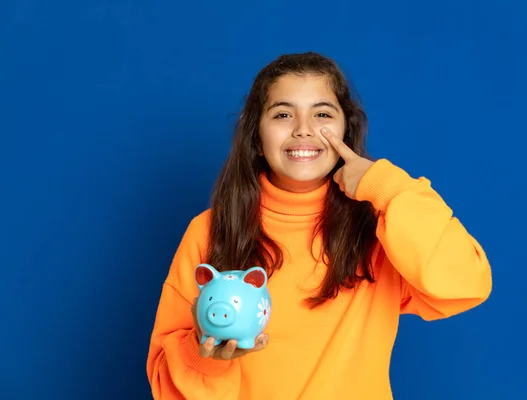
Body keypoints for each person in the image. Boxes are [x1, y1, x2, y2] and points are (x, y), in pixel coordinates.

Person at [146, 51, 492, 399]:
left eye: (322, 114)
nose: (303, 130)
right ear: (255, 137)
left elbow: (464, 284)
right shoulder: (209, 231)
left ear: (347, 128)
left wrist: (385, 186)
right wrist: (205, 357)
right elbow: (164, 381)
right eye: (283, 114)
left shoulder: (381, 227)